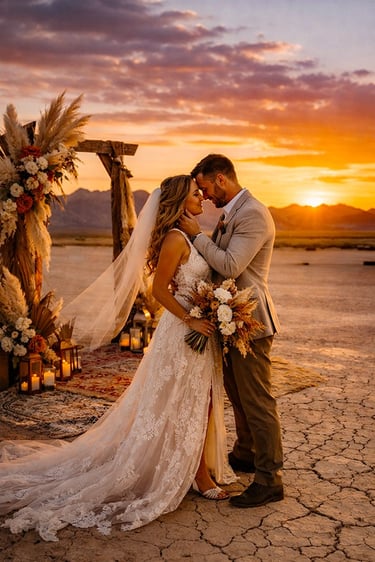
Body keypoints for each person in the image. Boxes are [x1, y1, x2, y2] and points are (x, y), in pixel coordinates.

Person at [0, 175, 236, 542]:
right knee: (181, 402)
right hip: (184, 333)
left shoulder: (189, 236)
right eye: (195, 194)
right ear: (177, 201)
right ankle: (195, 474)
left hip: (199, 332)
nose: (202, 198)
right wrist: (192, 317)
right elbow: (159, 291)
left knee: (199, 401)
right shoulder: (176, 239)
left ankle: (196, 467)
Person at [179, 154, 284, 508]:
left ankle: (270, 478)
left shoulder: (252, 214)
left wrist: (196, 236)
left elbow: (229, 264)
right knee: (237, 395)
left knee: (257, 400)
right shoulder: (231, 213)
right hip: (232, 319)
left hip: (252, 321)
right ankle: (246, 452)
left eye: (206, 188)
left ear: (221, 179)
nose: (205, 196)